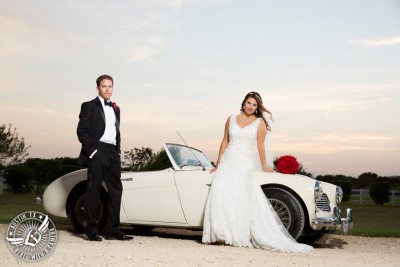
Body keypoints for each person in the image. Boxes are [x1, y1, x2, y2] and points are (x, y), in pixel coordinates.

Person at [202, 91, 313, 252]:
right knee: (220, 193)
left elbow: (260, 146)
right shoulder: (231, 119)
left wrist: (264, 165)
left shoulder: (259, 123)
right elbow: (225, 140)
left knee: (238, 197)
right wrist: (218, 163)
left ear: (257, 108)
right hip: (228, 161)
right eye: (249, 103)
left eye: (254, 105)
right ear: (243, 103)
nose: (251, 106)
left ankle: (235, 235)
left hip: (244, 163)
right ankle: (219, 234)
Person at [77, 74, 133, 241]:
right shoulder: (89, 106)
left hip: (112, 152)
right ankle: (91, 230)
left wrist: (117, 151)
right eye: (104, 86)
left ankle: (113, 230)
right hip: (98, 150)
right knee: (93, 190)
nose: (108, 89)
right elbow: (82, 131)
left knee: (116, 190)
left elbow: (116, 132)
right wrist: (92, 152)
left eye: (110, 86)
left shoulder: (116, 108)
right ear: (98, 88)